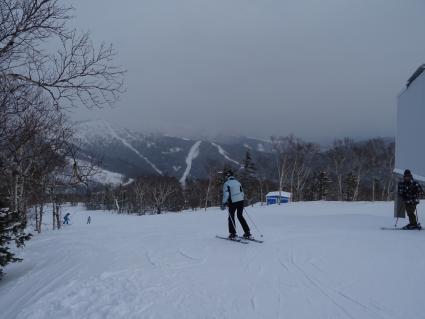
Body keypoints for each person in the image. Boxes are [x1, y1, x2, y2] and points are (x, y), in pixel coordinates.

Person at [221, 170, 252, 239]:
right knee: (240, 216)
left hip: (232, 202)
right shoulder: (238, 182)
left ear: (227, 176)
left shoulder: (226, 183)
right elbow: (242, 192)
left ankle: (233, 234)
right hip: (241, 201)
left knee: (231, 217)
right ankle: (247, 232)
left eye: (226, 175)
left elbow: (226, 194)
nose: (225, 177)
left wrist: (224, 202)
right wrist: (240, 199)